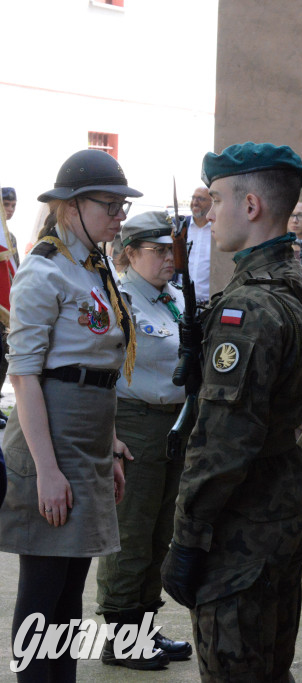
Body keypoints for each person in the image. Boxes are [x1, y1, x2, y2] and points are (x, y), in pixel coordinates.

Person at [160, 142, 302, 681]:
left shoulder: (249, 307)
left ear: (252, 205)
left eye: (216, 199)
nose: (209, 213)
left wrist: (186, 540)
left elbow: (222, 444)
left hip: (243, 523)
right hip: (284, 498)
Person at [0, 149, 141, 681]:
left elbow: (98, 370)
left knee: (69, 600)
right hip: (50, 442)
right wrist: (49, 471)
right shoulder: (43, 272)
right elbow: (26, 375)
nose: (119, 217)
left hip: (87, 440)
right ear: (70, 207)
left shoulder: (93, 266)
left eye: (122, 207)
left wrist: (111, 447)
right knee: (43, 597)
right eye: (111, 205)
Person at [94, 211, 193, 669]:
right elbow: (101, 370)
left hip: (174, 423)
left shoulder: (172, 298)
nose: (170, 259)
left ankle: (145, 627)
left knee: (160, 531)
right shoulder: (119, 301)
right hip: (133, 421)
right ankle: (121, 636)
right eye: (158, 251)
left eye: (172, 250)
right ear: (130, 254)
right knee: (131, 530)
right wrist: (109, 435)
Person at [1, 186, 19, 428]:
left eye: (13, 205)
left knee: (3, 358)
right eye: (6, 205)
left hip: (5, 311)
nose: (10, 210)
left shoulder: (9, 237)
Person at [180, 186, 213, 306]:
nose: (195, 202)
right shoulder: (181, 226)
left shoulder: (218, 229)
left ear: (212, 202)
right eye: (193, 198)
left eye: (201, 199)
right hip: (180, 303)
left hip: (209, 306)